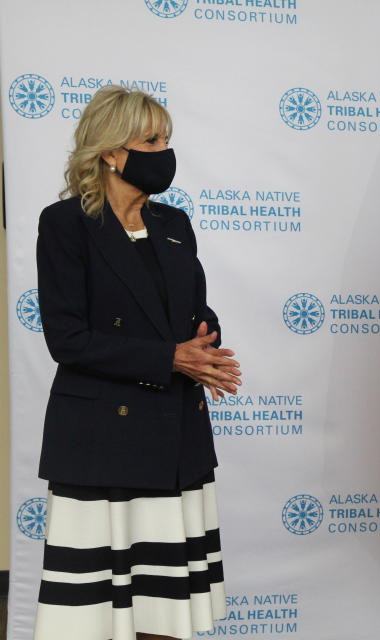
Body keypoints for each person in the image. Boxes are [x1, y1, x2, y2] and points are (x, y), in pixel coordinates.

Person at [34, 85, 241, 640]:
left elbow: (192, 309)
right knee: (94, 617)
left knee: (165, 609)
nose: (164, 150)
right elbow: (68, 338)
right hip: (103, 445)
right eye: (151, 139)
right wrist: (171, 357)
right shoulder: (64, 225)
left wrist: (206, 348)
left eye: (167, 138)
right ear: (110, 152)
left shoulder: (174, 224)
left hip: (177, 442)